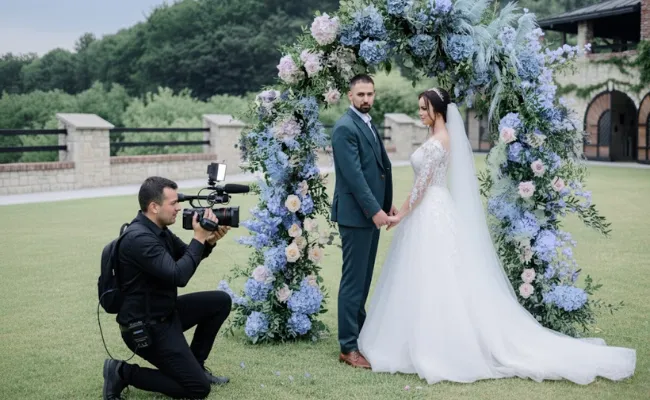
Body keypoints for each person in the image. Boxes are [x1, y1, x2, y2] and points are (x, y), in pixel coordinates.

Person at [357, 88, 636, 385]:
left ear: (438, 111)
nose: (420, 113)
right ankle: (419, 338)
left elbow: (422, 186)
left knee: (436, 276)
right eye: (419, 109)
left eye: (424, 109)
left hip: (431, 210)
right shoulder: (435, 139)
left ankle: (439, 344)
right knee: (427, 276)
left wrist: (400, 215)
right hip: (432, 209)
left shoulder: (439, 143)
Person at [102, 176, 233, 400]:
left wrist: (208, 242)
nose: (178, 208)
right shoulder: (139, 239)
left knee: (220, 301)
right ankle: (121, 372)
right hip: (145, 328)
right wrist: (199, 237)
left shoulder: (158, 230)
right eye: (173, 203)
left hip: (165, 313)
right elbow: (178, 276)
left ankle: (196, 365)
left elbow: (186, 257)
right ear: (154, 206)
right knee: (197, 389)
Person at [330, 74, 396, 369]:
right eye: (360, 94)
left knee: (364, 278)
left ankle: (361, 334)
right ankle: (348, 347)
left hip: (369, 214)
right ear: (349, 95)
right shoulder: (345, 127)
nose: (366, 99)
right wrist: (374, 211)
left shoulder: (367, 122)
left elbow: (378, 168)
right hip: (356, 217)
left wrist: (386, 203)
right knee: (353, 282)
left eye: (370, 94)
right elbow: (354, 177)